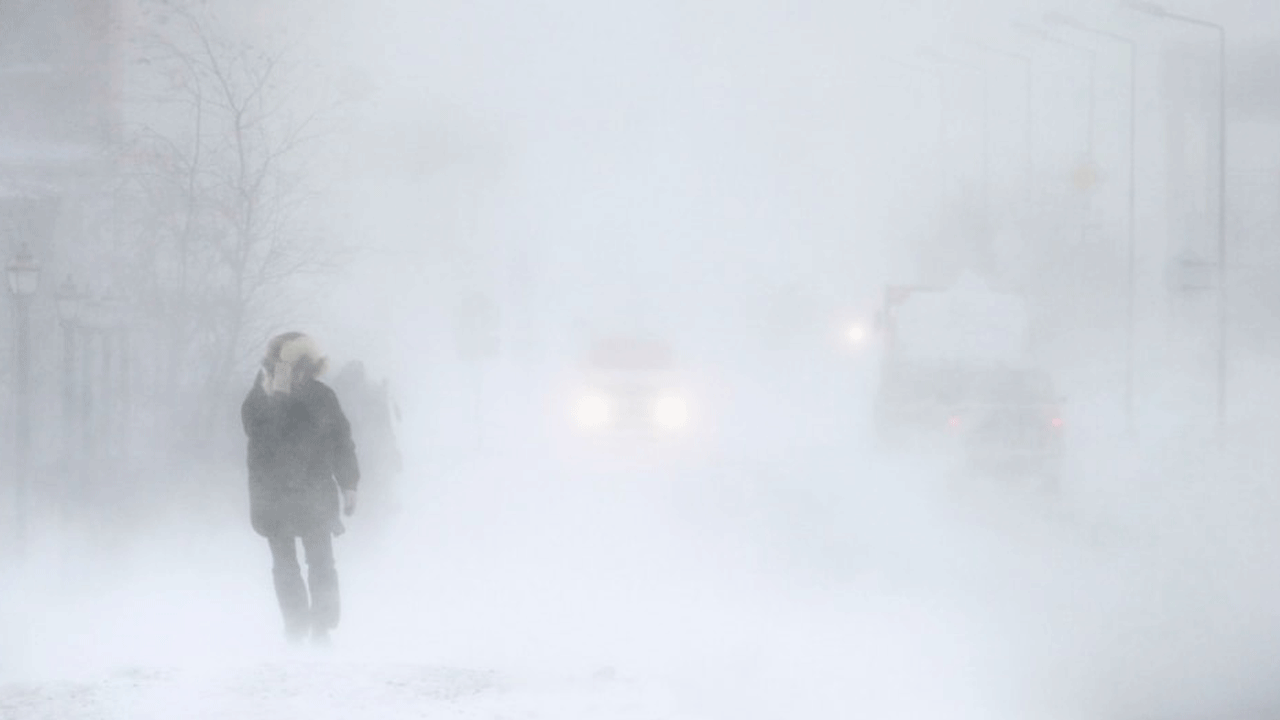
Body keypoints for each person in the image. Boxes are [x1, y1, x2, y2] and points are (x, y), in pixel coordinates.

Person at [241, 332, 360, 645]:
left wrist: (349, 483)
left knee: (321, 563)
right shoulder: (258, 400)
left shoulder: (322, 397)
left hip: (315, 491)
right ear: (277, 367)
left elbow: (341, 442)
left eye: (304, 368)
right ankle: (295, 626)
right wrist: (277, 398)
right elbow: (260, 438)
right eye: (292, 368)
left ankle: (322, 628)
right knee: (285, 566)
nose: (300, 375)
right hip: (273, 494)